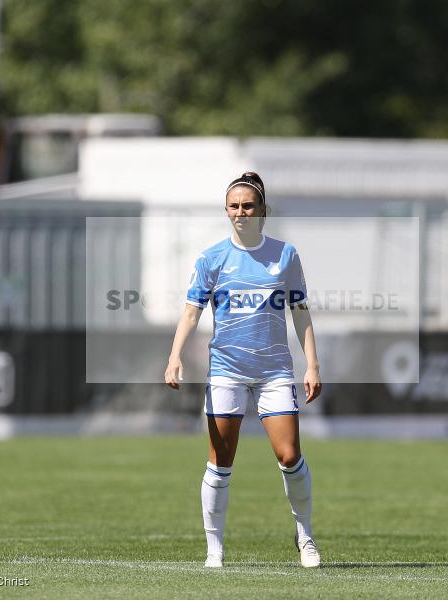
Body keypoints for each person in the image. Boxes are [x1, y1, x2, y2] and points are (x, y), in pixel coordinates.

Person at [165, 171, 323, 568]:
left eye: (248, 206)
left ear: (262, 211)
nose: (240, 212)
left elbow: (300, 312)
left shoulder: (285, 255)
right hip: (226, 371)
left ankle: (305, 536)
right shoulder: (211, 258)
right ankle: (214, 549)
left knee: (289, 456)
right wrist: (175, 355)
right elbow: (191, 310)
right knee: (221, 461)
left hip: (274, 372)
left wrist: (312, 363)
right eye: (234, 206)